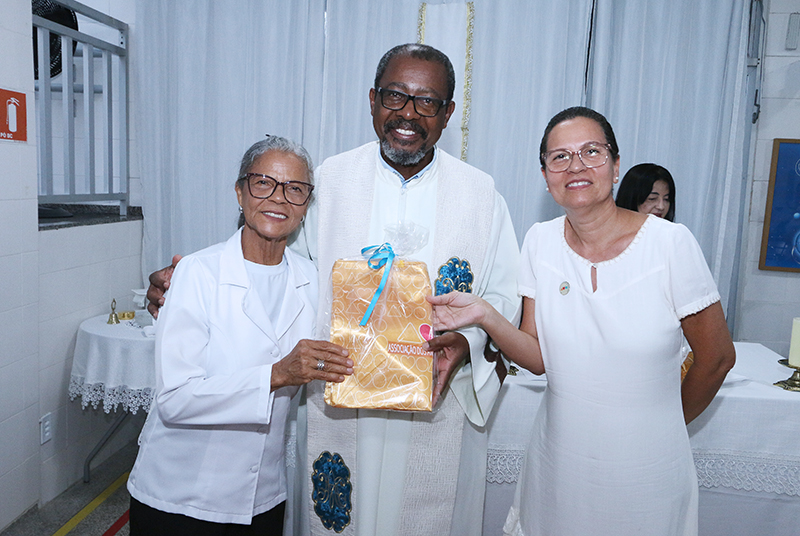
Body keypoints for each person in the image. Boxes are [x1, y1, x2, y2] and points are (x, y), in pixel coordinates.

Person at [148, 44, 520, 536]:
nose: (408, 113)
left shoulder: (481, 195)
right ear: (372, 100)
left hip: (435, 402)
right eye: (394, 95)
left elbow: (504, 299)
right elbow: (275, 261)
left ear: (448, 113)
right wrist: (189, 278)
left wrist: (464, 343)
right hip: (342, 405)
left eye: (427, 101)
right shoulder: (328, 181)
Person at [428, 107, 735, 536]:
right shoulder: (540, 241)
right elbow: (539, 359)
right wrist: (485, 314)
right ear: (545, 175)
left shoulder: (670, 244)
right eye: (560, 156)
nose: (575, 166)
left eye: (591, 151)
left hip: (646, 471)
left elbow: (717, 359)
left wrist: (661, 422)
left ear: (615, 164)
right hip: (559, 465)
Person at [128, 136, 353, 536]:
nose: (278, 198)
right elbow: (175, 399)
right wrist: (276, 374)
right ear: (239, 192)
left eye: (295, 189)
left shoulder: (314, 282)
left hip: (261, 496)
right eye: (263, 182)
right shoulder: (197, 273)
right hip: (181, 494)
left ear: (306, 205)